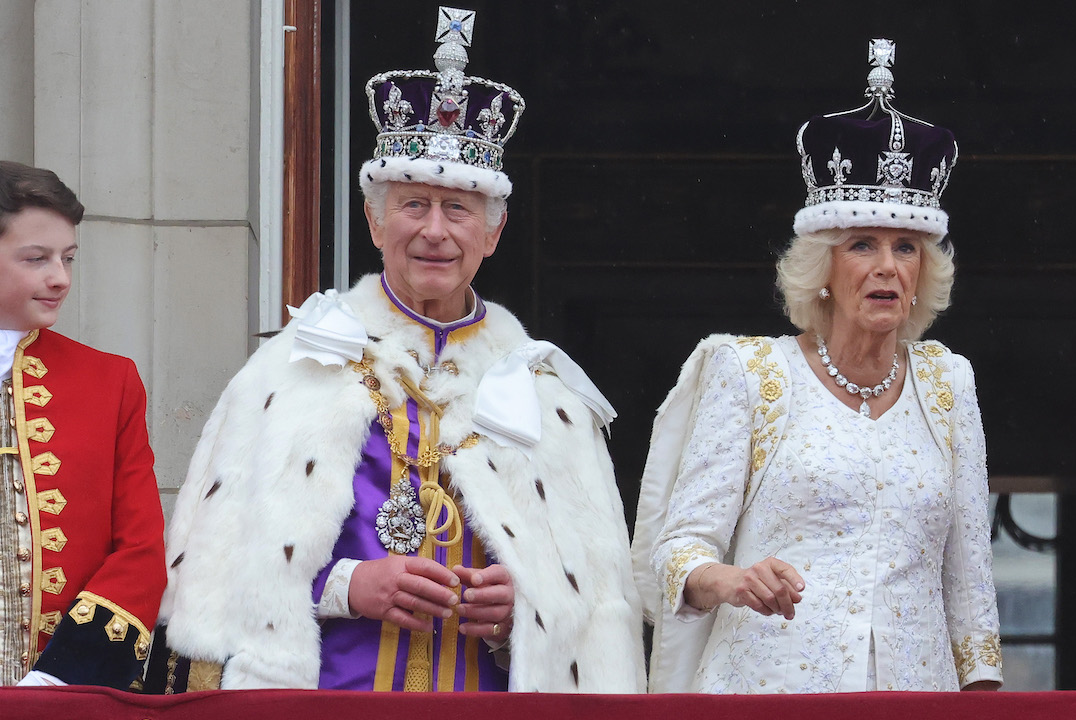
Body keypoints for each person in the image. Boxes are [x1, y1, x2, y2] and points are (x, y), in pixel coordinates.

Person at [151, 7, 644, 692]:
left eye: (459, 209)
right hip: (330, 701)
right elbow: (215, 569)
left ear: (492, 234)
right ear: (375, 220)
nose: (435, 231)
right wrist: (348, 585)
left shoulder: (546, 392)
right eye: (414, 204)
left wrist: (521, 609)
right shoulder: (294, 366)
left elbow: (594, 609)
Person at [632, 39, 1002, 694]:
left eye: (906, 247)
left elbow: (969, 583)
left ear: (923, 272)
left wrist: (983, 697)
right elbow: (675, 552)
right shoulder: (748, 372)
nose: (888, 266)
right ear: (825, 267)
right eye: (863, 244)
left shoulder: (950, 384)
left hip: (915, 700)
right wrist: (733, 580)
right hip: (766, 694)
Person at [0, 161, 166, 688]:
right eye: (37, 259)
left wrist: (62, 679)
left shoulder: (110, 381)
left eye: (68, 259)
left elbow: (141, 550)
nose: (60, 278)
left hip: (62, 689)